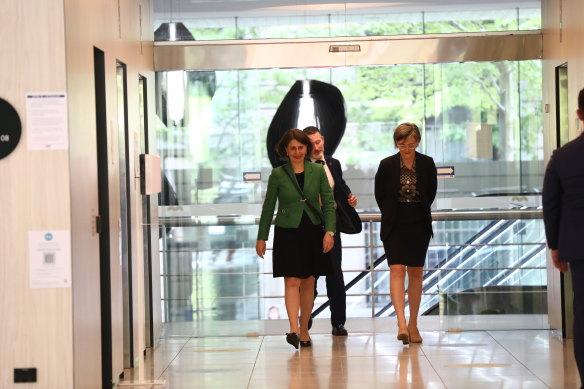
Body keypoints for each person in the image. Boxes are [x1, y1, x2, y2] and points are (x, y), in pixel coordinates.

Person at [256, 129, 336, 349]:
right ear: (286, 150)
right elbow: (268, 207)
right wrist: (262, 237)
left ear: (306, 149)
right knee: (291, 280)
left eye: (301, 147)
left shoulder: (317, 171)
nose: (298, 152)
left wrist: (330, 231)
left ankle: (303, 330)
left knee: (309, 281)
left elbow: (328, 203)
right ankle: (292, 328)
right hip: (287, 231)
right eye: (293, 148)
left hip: (312, 229)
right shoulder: (278, 174)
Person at [374, 122, 437, 345]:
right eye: (402, 145)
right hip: (394, 224)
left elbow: (430, 193)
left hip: (418, 223)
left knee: (416, 272)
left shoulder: (427, 163)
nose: (407, 149)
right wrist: (394, 212)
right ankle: (401, 323)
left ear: (417, 142)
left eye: (411, 144)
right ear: (396, 143)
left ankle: (413, 323)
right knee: (397, 270)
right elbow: (380, 195)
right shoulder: (386, 165)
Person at [542, 87, 584, 387]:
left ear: (579, 115)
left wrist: (555, 246)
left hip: (580, 248)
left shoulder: (564, 156)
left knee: (583, 313)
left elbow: (552, 203)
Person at [303, 126, 358, 336]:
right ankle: (305, 319)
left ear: (323, 140)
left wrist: (350, 198)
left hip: (332, 225)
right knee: (310, 276)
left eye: (318, 142)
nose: (316, 147)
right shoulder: (301, 166)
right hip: (309, 227)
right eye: (311, 144)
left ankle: (338, 323)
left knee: (335, 275)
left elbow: (341, 188)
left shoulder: (333, 163)